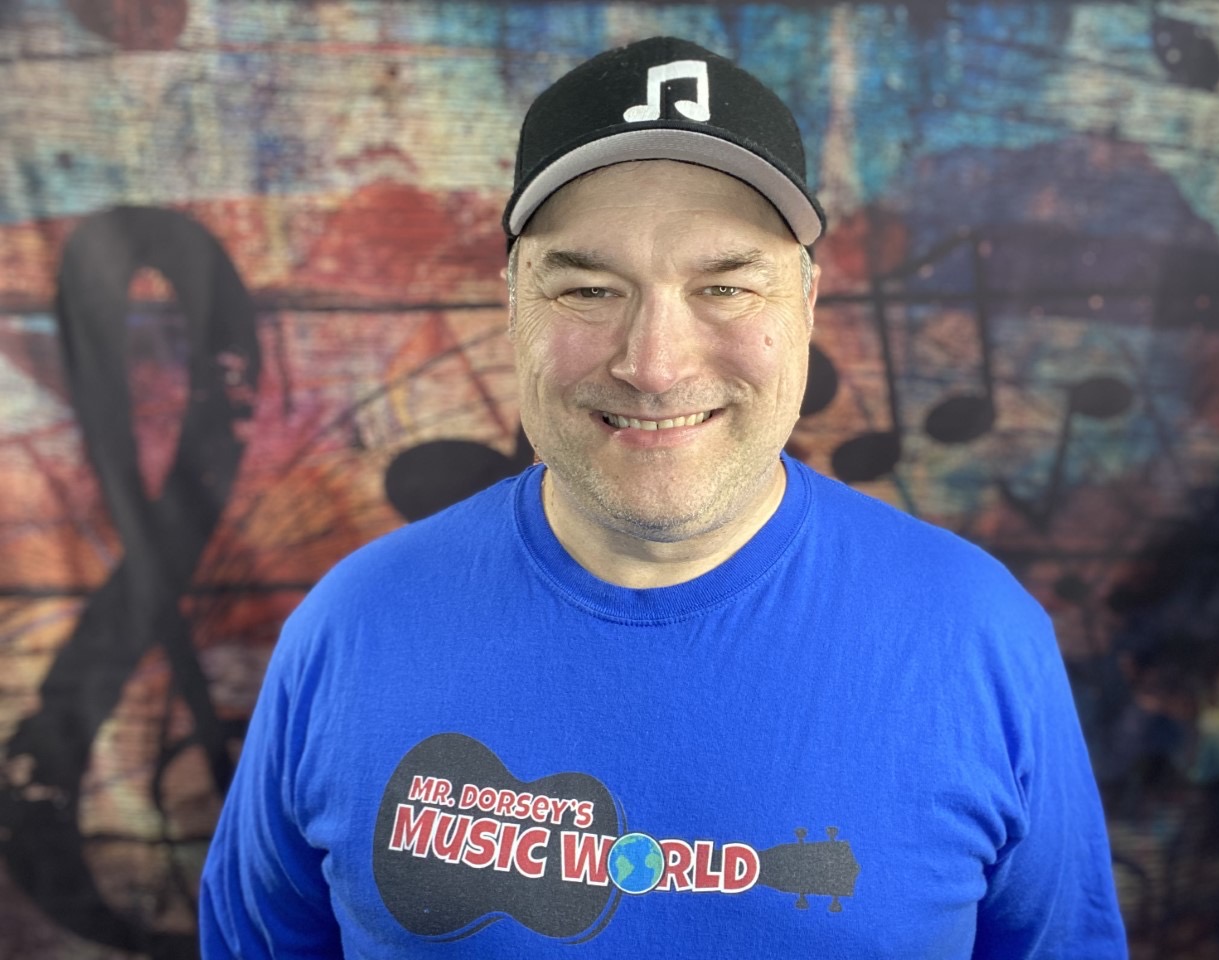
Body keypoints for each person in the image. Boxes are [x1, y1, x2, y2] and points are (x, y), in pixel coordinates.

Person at [200, 37, 1128, 957]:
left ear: (806, 305)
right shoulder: (352, 628)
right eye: (590, 288)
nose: (653, 364)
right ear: (513, 301)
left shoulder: (977, 634)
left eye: (725, 284)